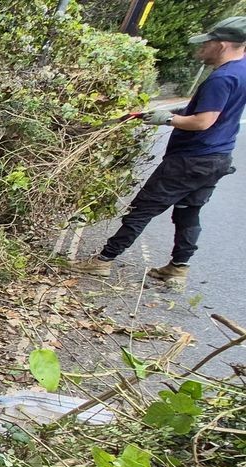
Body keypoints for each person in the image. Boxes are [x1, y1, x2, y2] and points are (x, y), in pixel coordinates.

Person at [74, 17, 246, 285]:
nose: (201, 49)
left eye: (207, 43)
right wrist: (169, 111)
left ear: (222, 45)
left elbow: (203, 122)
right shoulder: (242, 71)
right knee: (188, 210)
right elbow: (213, 112)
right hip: (217, 159)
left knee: (143, 208)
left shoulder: (221, 78)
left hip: (191, 160)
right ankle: (178, 267)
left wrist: (167, 120)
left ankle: (103, 261)